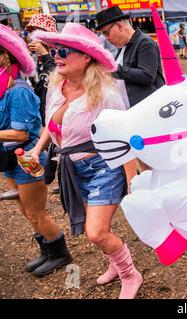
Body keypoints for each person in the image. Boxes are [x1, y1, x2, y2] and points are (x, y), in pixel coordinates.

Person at [32, 23, 143, 299]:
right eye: (56, 50)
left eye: (65, 51)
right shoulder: (57, 87)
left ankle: (131, 274)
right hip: (72, 169)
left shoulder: (106, 96)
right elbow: (52, 124)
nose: (57, 56)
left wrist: (132, 181)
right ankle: (115, 263)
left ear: (86, 57)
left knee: (95, 232)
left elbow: (125, 137)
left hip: (103, 168)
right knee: (97, 228)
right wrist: (37, 150)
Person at [0, 24, 72, 277]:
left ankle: (60, 253)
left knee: (35, 211)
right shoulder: (2, 89)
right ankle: (47, 251)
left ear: (4, 56)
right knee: (24, 210)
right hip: (8, 158)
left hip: (26, 158)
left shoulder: (18, 90)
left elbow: (20, 133)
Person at [95, 6, 165, 108]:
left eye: (106, 33)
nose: (106, 38)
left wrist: (113, 68)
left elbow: (147, 76)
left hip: (149, 109)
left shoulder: (145, 42)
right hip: (134, 110)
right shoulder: (123, 47)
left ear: (119, 26)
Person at [25, 13, 58, 127]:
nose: (34, 35)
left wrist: (45, 54)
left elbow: (59, 78)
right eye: (32, 31)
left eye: (37, 31)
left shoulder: (60, 51)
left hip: (57, 107)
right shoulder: (35, 55)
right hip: (42, 108)